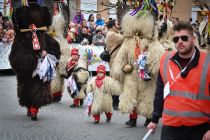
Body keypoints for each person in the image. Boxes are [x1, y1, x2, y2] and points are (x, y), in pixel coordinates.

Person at [147, 21, 210, 140]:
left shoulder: (207, 62)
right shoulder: (165, 60)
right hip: (171, 127)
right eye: (176, 39)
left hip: (200, 128)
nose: (180, 42)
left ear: (193, 38)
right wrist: (154, 119)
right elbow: (160, 91)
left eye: (184, 38)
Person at [9, 4, 61, 121]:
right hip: (26, 64)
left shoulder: (45, 36)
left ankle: (34, 109)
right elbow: (14, 55)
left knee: (39, 86)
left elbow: (55, 51)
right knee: (25, 85)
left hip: (40, 66)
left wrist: (46, 54)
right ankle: (29, 106)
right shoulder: (21, 36)